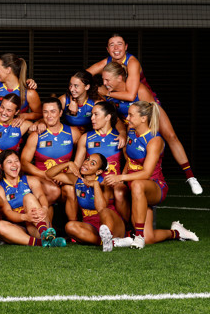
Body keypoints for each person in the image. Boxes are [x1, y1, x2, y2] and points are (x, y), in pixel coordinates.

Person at [90, 35, 202, 195]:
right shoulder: (106, 64)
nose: (116, 48)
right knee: (128, 142)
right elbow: (85, 75)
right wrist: (89, 86)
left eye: (119, 44)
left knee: (170, 136)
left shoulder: (132, 62)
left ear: (126, 47)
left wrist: (106, 92)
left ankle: (190, 176)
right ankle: (129, 179)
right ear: (107, 49)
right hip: (128, 111)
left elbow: (130, 94)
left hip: (145, 103)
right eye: (112, 45)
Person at [103, 101, 199, 249]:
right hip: (134, 187)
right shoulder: (131, 132)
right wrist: (122, 178)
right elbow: (130, 160)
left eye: (131, 115)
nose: (127, 118)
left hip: (153, 186)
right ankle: (176, 233)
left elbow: (147, 173)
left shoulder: (155, 140)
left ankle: (137, 236)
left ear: (143, 118)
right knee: (150, 237)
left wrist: (120, 177)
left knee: (137, 184)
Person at [46, 154, 129, 252]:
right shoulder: (77, 180)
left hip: (111, 224)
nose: (86, 163)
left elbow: (101, 208)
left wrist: (95, 185)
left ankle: (111, 238)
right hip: (91, 225)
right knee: (69, 226)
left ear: (98, 171)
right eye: (87, 159)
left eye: (92, 163)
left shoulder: (105, 183)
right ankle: (111, 243)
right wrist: (68, 164)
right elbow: (49, 174)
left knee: (105, 211)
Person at [0, 149, 65, 247]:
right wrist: (26, 217)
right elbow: (7, 212)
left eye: (16, 161)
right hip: (19, 229)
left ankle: (44, 233)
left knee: (28, 197)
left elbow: (41, 196)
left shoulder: (30, 180)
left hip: (37, 224)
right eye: (9, 162)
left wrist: (44, 208)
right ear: (1, 166)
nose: (14, 165)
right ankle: (43, 242)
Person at [20, 98, 81, 211]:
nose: (49, 116)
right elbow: (24, 163)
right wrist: (45, 175)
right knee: (53, 190)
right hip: (42, 179)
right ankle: (44, 225)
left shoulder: (73, 133)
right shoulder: (36, 135)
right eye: (45, 112)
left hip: (63, 179)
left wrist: (64, 176)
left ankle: (73, 225)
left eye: (53, 111)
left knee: (71, 190)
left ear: (60, 113)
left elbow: (81, 158)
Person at [73, 101, 129, 219]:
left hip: (112, 183)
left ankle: (126, 227)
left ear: (108, 117)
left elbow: (130, 161)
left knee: (119, 191)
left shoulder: (120, 137)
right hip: (92, 182)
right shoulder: (86, 138)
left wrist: (121, 179)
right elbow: (77, 164)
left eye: (96, 114)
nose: (92, 118)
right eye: (92, 115)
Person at [0, 53, 41, 124]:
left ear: (8, 70)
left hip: (17, 131)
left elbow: (40, 113)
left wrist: (25, 116)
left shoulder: (29, 93)